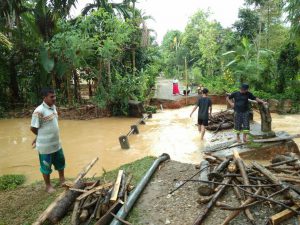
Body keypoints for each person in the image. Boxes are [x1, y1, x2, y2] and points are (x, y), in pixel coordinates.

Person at [30, 88, 65, 193]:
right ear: (44, 97)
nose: (54, 99)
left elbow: (48, 126)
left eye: (55, 96)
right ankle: (48, 186)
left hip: (56, 144)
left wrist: (37, 137)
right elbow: (33, 128)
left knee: (61, 162)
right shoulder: (38, 111)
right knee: (46, 166)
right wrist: (39, 137)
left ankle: (62, 180)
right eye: (51, 97)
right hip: (45, 147)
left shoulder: (53, 107)